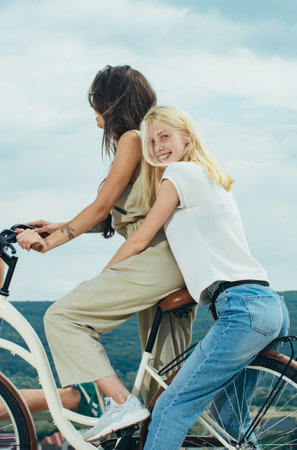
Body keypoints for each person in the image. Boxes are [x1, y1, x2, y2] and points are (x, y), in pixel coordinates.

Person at [15, 67, 195, 438]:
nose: (94, 117)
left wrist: (49, 243)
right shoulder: (145, 142)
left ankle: (118, 401)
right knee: (162, 383)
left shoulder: (131, 138)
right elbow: (117, 215)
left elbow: (100, 207)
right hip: (179, 260)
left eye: (96, 106)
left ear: (111, 104)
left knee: (63, 317)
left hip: (159, 259)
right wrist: (59, 224)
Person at [98, 105, 290, 448]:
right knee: (231, 421)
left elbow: (141, 238)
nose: (158, 147)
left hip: (241, 311)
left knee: (171, 409)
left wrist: (100, 283)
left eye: (165, 136)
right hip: (269, 307)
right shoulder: (212, 178)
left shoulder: (180, 175)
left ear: (187, 136)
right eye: (152, 142)